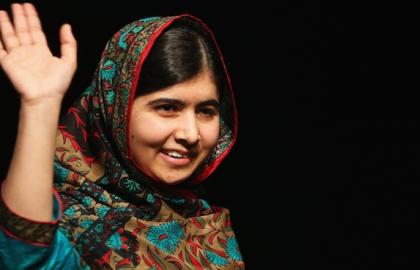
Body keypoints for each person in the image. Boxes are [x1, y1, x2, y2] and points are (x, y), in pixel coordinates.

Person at [0, 2, 243, 269]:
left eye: (206, 111)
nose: (191, 134)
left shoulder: (206, 226)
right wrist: (40, 105)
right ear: (118, 112)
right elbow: (27, 254)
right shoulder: (76, 223)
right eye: (167, 108)